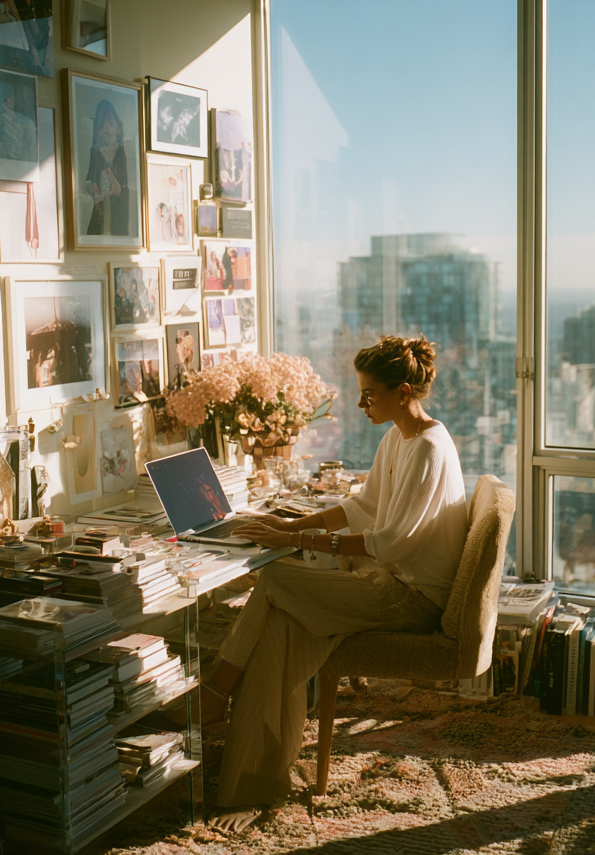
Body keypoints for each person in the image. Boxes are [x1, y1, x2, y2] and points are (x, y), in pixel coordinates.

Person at [193, 335, 468, 832]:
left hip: (408, 600)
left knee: (274, 577)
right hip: (384, 583)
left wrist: (311, 544)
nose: (361, 404)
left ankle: (216, 690)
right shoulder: (398, 437)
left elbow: (390, 541)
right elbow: (361, 506)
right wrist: (291, 528)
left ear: (403, 391)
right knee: (279, 631)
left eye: (369, 394)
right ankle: (254, 785)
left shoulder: (428, 448)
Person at [84, 100, 128, 235]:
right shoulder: (94, 153)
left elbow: (124, 186)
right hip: (98, 212)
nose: (107, 129)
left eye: (111, 124)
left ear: (118, 129)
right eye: (102, 124)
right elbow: (90, 179)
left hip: (117, 214)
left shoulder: (121, 153)